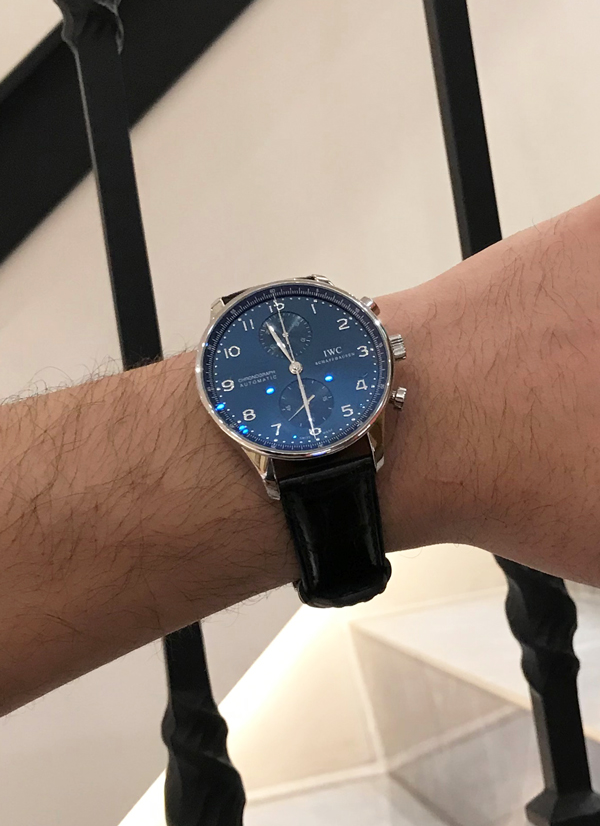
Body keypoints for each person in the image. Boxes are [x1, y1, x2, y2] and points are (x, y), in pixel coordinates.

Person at [1, 195, 599, 717]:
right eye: (287, 362)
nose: (294, 366)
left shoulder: (371, 377)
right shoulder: (238, 409)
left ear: (388, 350)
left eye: (299, 358)